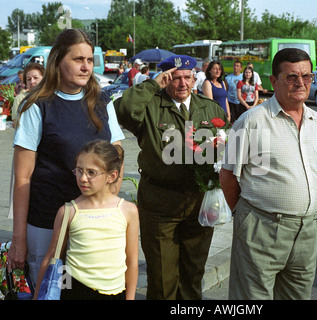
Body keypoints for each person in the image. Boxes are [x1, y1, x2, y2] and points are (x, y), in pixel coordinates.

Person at [7, 28, 125, 284]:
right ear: (58, 61)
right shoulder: (38, 106)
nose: (86, 67)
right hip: (47, 224)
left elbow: (117, 157)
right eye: (78, 59)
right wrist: (19, 238)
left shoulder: (103, 102)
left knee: (87, 290)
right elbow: (23, 176)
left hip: (94, 223)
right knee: (51, 289)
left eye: (90, 60)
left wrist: (109, 205)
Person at [114, 55, 229, 300]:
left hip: (199, 204)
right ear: (166, 79)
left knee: (193, 275)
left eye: (187, 77)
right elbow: (122, 110)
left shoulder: (209, 108)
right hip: (160, 203)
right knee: (162, 279)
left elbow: (225, 145)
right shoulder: (150, 105)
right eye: (175, 78)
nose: (182, 84)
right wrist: (153, 84)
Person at [220, 48, 317, 300]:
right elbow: (227, 177)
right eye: (291, 77)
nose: (300, 83)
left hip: (306, 232)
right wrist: (248, 216)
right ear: (273, 81)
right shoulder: (250, 121)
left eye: (306, 76)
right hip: (261, 229)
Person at [34, 140, 139, 300]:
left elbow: (131, 262)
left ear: (112, 176)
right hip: (75, 290)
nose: (83, 178)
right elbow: (51, 257)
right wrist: (37, 296)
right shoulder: (69, 211)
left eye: (91, 172)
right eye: (79, 170)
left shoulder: (128, 211)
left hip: (115, 292)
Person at [11, 63, 45, 128]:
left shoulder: (53, 96)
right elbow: (16, 124)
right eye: (29, 79)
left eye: (36, 78)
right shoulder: (21, 98)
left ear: (44, 79)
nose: (32, 82)